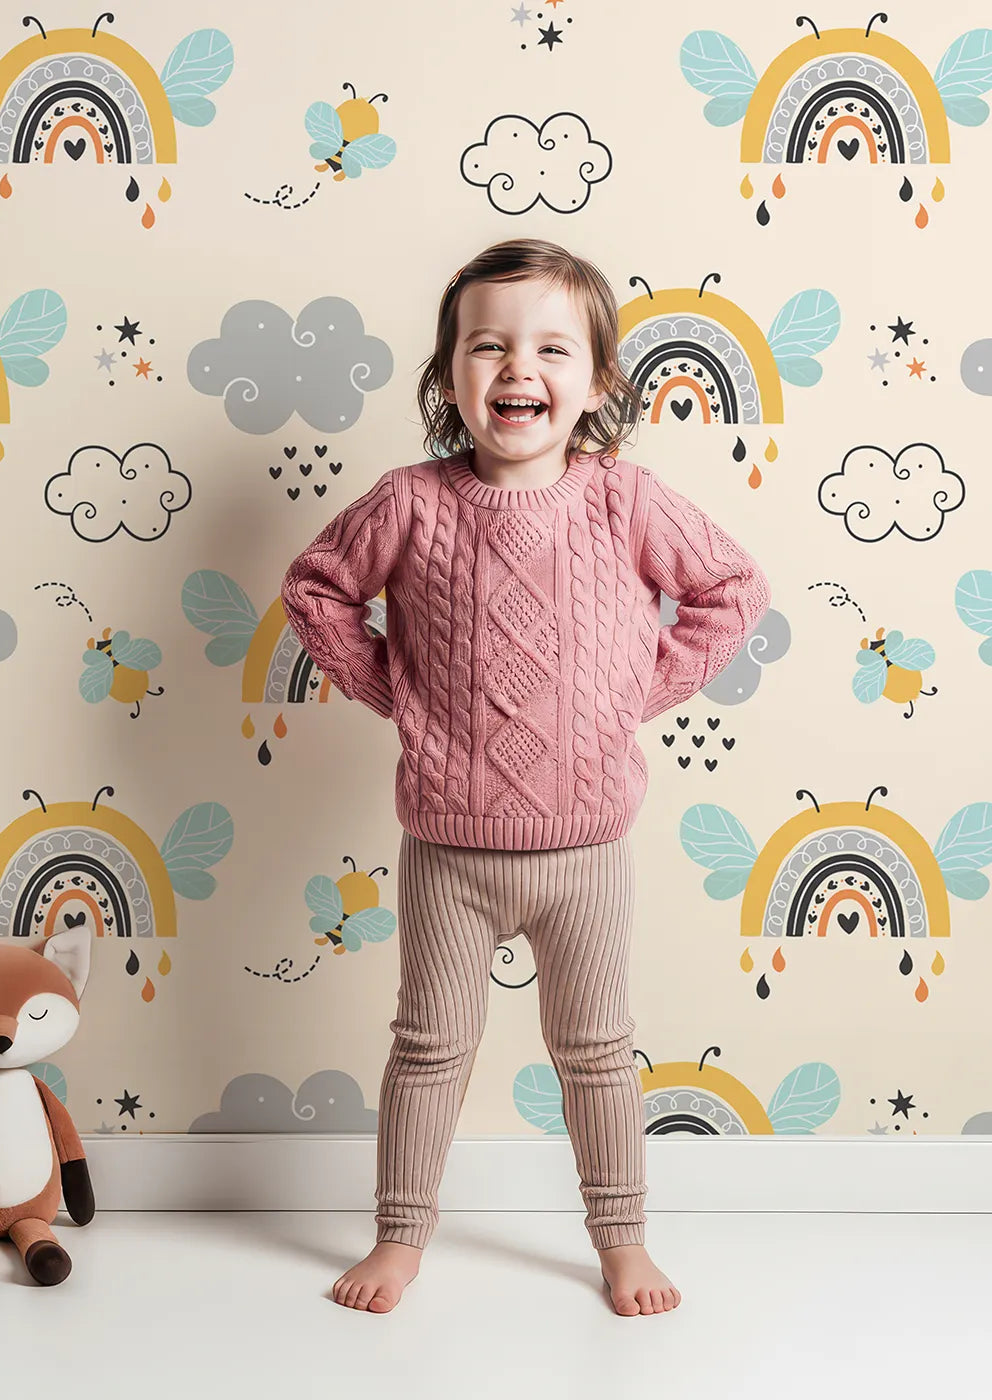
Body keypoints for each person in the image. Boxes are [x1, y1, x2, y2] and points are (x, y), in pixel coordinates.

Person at [280, 237, 770, 1316]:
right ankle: (400, 1236)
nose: (517, 368)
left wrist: (633, 689)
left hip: (584, 852)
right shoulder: (410, 501)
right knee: (426, 1047)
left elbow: (732, 588)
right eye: (487, 345)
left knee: (596, 1051)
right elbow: (316, 588)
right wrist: (396, 691)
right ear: (448, 375)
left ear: (595, 383)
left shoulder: (621, 501)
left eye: (551, 348)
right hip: (447, 853)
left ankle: (622, 1239)